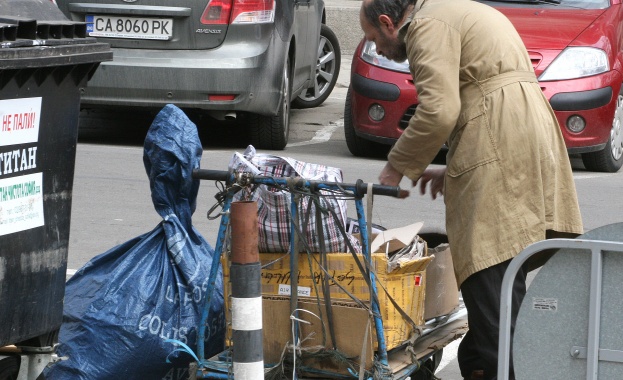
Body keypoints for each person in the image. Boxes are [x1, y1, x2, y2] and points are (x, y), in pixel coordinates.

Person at [359, 0, 584, 379]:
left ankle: (505, 369)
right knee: (502, 281)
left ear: (388, 22)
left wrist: (394, 170)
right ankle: (495, 365)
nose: (377, 50)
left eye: (373, 39)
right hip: (525, 130)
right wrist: (453, 171)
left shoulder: (427, 24)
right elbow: (486, 99)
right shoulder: (451, 10)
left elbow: (440, 110)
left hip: (502, 133)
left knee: (488, 273)